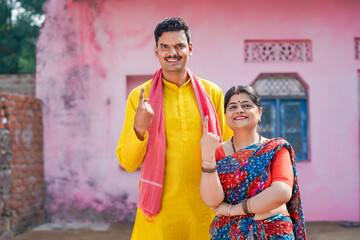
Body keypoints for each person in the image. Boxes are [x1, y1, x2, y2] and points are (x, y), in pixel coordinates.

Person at [116, 17, 231, 240]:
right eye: (165, 47)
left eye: (179, 46)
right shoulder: (141, 98)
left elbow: (228, 153)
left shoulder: (212, 93)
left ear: (190, 48)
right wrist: (139, 130)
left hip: (205, 212)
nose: (172, 52)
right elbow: (128, 162)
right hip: (159, 215)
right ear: (156, 52)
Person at [200, 85, 307, 239]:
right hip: (228, 234)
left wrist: (232, 210)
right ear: (226, 115)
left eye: (246, 105)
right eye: (232, 107)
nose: (239, 110)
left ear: (260, 113)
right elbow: (212, 200)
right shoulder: (216, 152)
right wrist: (207, 157)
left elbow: (281, 192)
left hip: (274, 232)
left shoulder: (275, 149)